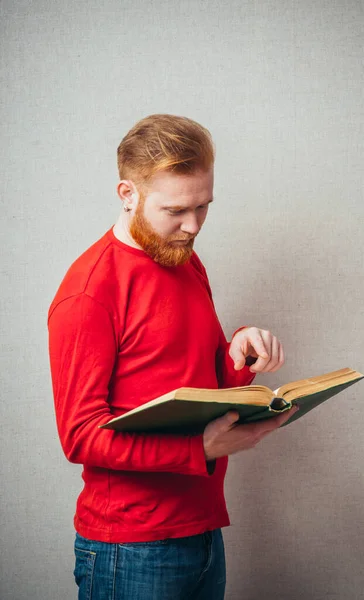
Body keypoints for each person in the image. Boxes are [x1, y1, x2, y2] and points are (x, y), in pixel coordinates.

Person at [47, 114, 297, 600]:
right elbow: (79, 436)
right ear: (128, 194)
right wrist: (197, 450)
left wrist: (238, 352)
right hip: (131, 549)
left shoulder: (184, 258)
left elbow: (196, 376)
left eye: (204, 207)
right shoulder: (89, 293)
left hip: (201, 528)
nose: (193, 226)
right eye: (176, 210)